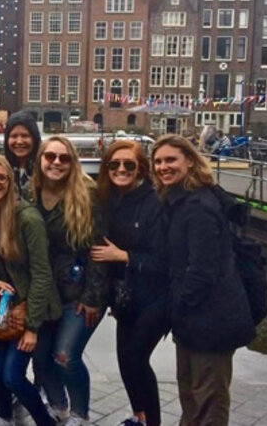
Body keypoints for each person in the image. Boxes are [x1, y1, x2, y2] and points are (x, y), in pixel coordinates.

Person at [151, 135, 255, 425]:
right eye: (158, 161)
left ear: (190, 161)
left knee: (209, 400)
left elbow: (203, 269)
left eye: (170, 160)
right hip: (194, 320)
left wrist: (179, 305)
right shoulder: (180, 200)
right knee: (192, 395)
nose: (163, 167)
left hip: (212, 319)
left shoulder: (198, 206)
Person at [0, 154, 59, 426]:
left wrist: (32, 326)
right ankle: (3, 417)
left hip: (32, 307)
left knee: (12, 376)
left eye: (1, 177)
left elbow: (43, 274)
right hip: (2, 308)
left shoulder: (27, 218)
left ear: (10, 182)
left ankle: (46, 421)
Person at [90, 141, 168, 426]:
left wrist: (123, 256)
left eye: (129, 165)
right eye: (114, 164)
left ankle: (153, 422)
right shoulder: (111, 200)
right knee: (125, 361)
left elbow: (164, 261)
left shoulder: (154, 203)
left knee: (137, 358)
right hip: (126, 297)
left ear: (140, 170)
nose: (121, 169)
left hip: (155, 298)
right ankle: (140, 416)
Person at [31, 136, 107, 426]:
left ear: (73, 162)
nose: (56, 162)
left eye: (64, 158)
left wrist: (93, 298)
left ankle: (80, 412)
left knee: (65, 354)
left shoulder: (88, 196)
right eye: (50, 156)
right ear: (40, 160)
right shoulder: (30, 193)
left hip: (78, 292)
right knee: (40, 355)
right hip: (44, 292)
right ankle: (58, 406)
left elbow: (98, 250)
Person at [3, 110, 42, 202]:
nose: (19, 141)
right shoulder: (2, 168)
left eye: (25, 136)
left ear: (34, 138)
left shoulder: (44, 169)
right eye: (14, 136)